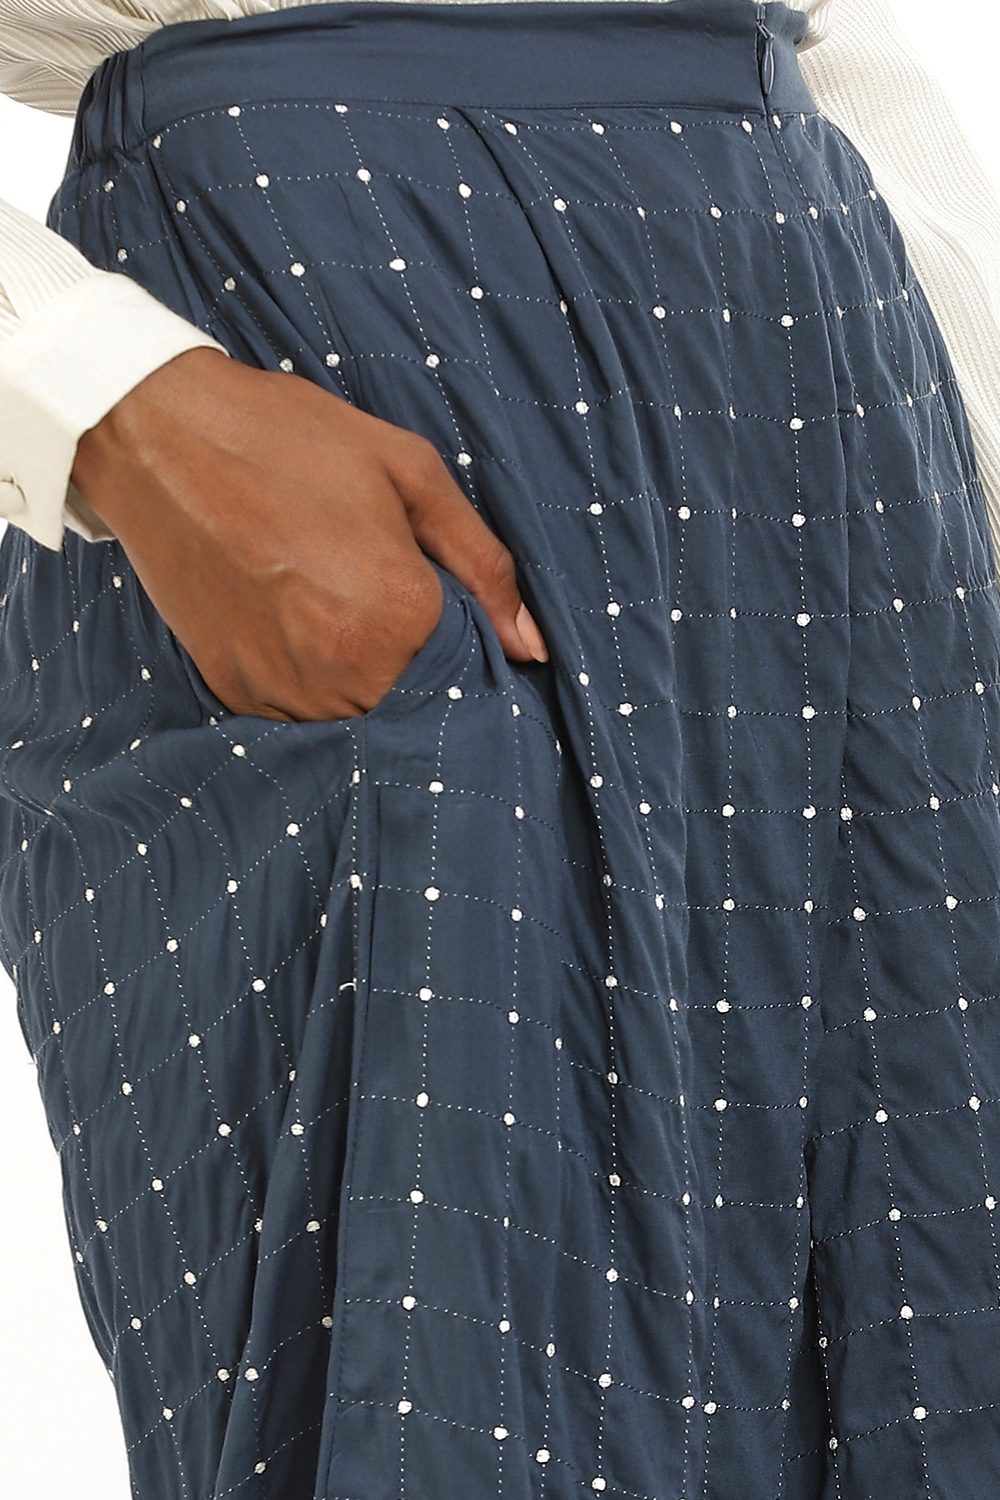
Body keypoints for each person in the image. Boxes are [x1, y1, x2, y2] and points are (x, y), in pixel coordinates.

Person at [2, 1, 1000, 1496]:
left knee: (936, 1372)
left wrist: (960, 470)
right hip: (329, 330)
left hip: (835, 372)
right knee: (448, 1412)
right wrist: (92, 386)